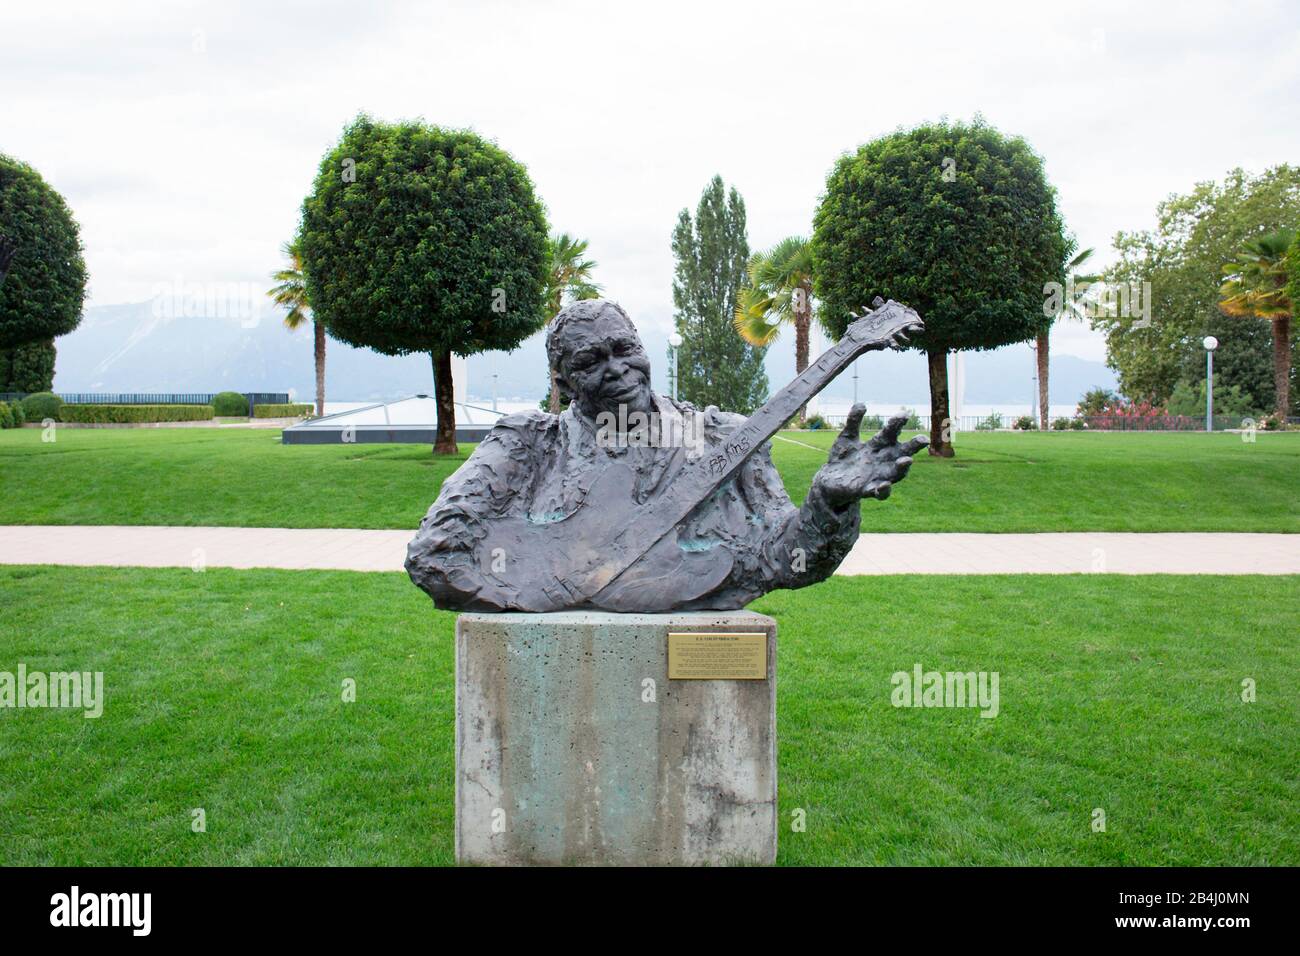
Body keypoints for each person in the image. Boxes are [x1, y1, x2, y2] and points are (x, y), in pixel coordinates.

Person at [406, 299, 924, 611]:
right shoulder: (526, 443)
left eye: (624, 348)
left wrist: (828, 506)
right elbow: (436, 553)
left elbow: (783, 562)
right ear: (563, 383)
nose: (617, 369)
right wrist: (543, 588)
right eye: (591, 361)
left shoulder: (726, 436)